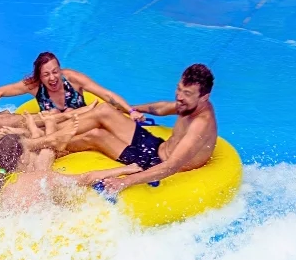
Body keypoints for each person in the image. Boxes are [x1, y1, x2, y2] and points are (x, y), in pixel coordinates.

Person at [26, 64, 218, 194]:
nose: (179, 96)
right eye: (179, 89)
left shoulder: (201, 124)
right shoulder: (187, 104)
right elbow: (161, 108)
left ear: (204, 97)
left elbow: (170, 167)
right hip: (155, 146)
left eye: (187, 93)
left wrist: (125, 181)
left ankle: (36, 142)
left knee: (95, 135)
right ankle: (42, 136)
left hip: (155, 163)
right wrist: (131, 110)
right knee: (104, 110)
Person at [0, 113, 142, 209]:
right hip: (41, 232)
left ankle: (50, 133)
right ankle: (51, 133)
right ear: (22, 156)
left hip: (11, 232)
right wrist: (127, 169)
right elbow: (87, 177)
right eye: (29, 149)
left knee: (45, 155)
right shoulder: (44, 178)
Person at [0, 51, 146, 160]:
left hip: (84, 124)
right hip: (58, 132)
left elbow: (106, 95)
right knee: (42, 118)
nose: (53, 78)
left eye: (55, 72)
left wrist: (130, 111)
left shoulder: (73, 79)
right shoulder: (34, 86)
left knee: (78, 113)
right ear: (39, 77)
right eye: (46, 74)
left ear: (60, 70)